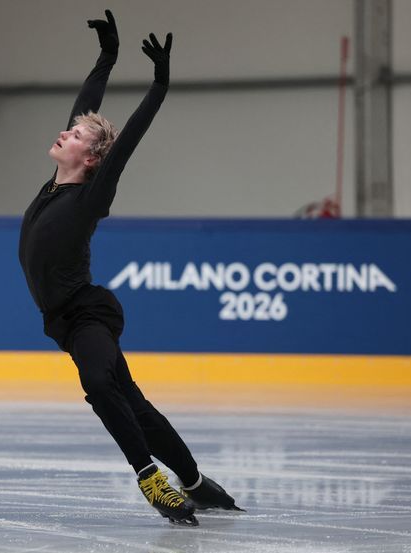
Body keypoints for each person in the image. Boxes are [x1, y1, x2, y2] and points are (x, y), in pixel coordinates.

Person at [18, 10, 243, 526]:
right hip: (61, 320)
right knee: (133, 404)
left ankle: (150, 478)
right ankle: (195, 483)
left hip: (87, 315)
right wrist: (107, 57)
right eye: (71, 130)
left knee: (99, 384)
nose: (66, 131)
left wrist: (159, 85)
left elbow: (126, 142)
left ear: (92, 158)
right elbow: (87, 106)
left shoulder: (91, 195)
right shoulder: (53, 185)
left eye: (75, 136)